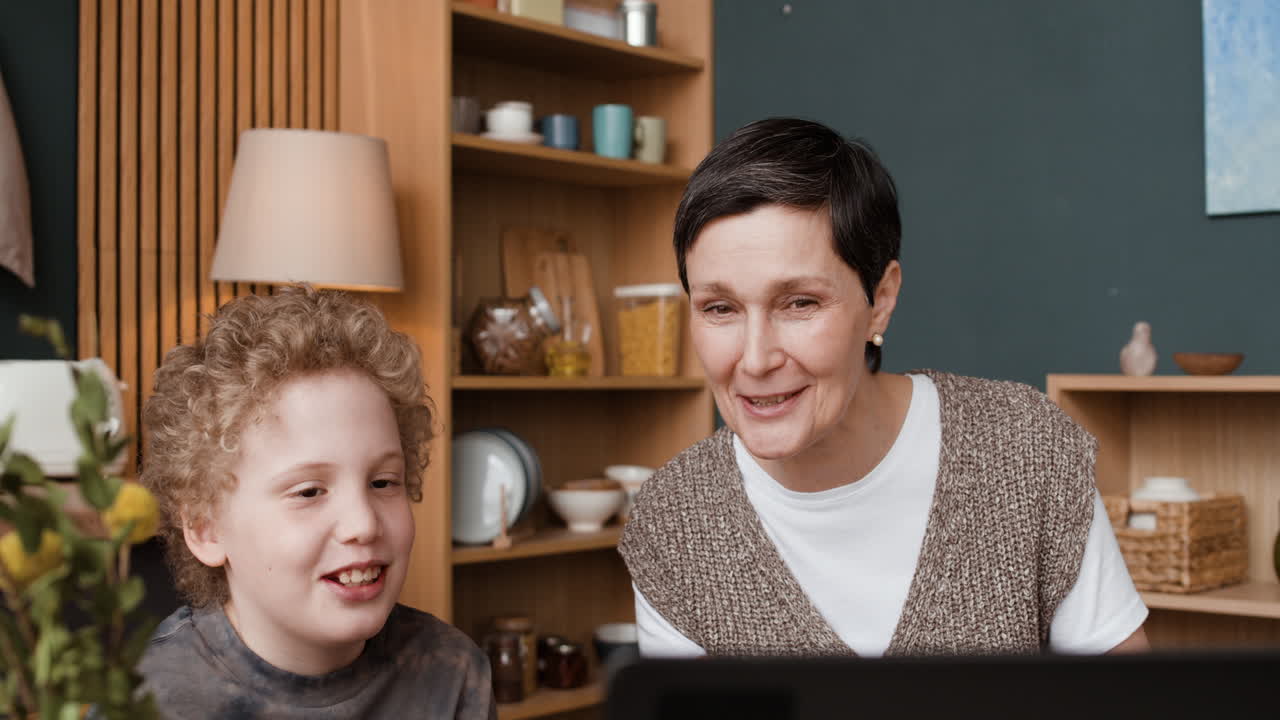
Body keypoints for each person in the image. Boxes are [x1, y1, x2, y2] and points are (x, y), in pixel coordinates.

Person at [618, 118, 1148, 658]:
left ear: (883, 298)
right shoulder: (676, 520)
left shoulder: (1024, 450)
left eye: (800, 303)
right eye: (720, 308)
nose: (755, 359)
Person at [138, 285, 495, 718]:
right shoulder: (147, 701)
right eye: (309, 492)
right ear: (205, 528)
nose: (363, 523)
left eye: (383, 483)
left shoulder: (453, 674)